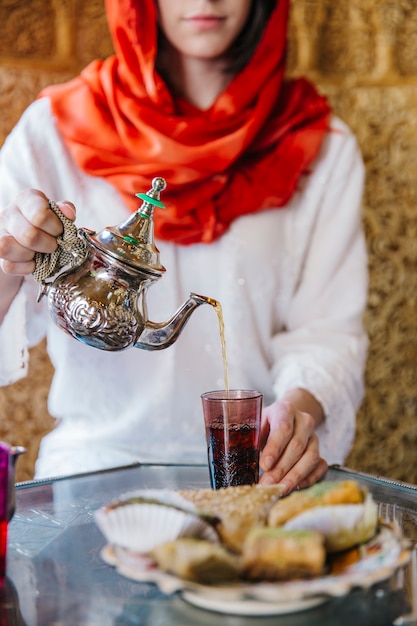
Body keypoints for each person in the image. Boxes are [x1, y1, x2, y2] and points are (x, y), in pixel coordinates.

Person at [0, 0, 368, 492]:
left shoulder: (316, 145)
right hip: (92, 473)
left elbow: (328, 332)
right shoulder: (53, 132)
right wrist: (11, 258)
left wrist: (296, 413)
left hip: (256, 474)